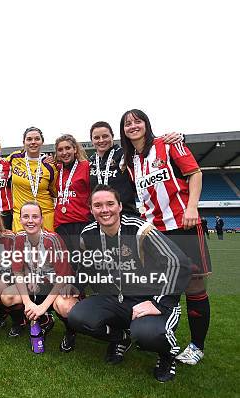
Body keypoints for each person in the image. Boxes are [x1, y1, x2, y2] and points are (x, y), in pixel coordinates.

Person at [69, 185, 191, 382]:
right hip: (114, 298)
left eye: (110, 204)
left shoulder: (140, 229)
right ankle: (121, 338)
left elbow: (179, 263)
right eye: (98, 205)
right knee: (78, 316)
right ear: (91, 210)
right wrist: (75, 286)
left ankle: (166, 356)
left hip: (149, 299)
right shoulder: (88, 233)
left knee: (147, 333)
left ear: (119, 206)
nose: (104, 210)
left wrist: (160, 302)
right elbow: (86, 266)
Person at [120, 109, 212, 365]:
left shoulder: (168, 144)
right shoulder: (130, 162)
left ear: (146, 124)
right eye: (127, 124)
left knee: (193, 285)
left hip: (184, 223)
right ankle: (157, 335)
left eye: (137, 121)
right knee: (159, 286)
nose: (133, 126)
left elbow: (195, 173)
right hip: (156, 231)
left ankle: (196, 345)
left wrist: (192, 207)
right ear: (123, 131)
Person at [1, 201, 78, 348]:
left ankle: (70, 331)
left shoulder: (52, 239)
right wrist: (28, 303)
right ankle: (40, 321)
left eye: (35, 217)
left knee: (64, 306)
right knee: (7, 296)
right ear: (20, 219)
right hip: (35, 285)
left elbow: (63, 278)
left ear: (42, 220)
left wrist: (42, 306)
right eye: (26, 217)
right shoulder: (19, 238)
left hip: (58, 286)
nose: (30, 221)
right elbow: (17, 271)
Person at [89, 121, 184, 215]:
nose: (101, 140)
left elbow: (147, 145)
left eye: (105, 136)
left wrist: (180, 136)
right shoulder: (90, 162)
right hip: (100, 214)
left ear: (112, 136)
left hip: (125, 213)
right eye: (96, 138)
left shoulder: (126, 153)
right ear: (92, 140)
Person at [7, 127, 57, 232]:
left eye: (37, 139)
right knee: (21, 248)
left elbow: (54, 192)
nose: (33, 142)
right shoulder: (14, 158)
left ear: (42, 142)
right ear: (23, 142)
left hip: (45, 214)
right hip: (21, 216)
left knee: (47, 247)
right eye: (29, 139)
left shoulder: (50, 166)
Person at [53, 134, 91, 273]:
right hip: (61, 223)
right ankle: (72, 292)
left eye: (68, 148)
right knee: (67, 262)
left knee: (84, 261)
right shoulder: (57, 169)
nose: (64, 152)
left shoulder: (86, 166)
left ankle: (83, 290)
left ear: (75, 149)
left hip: (81, 221)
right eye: (60, 150)